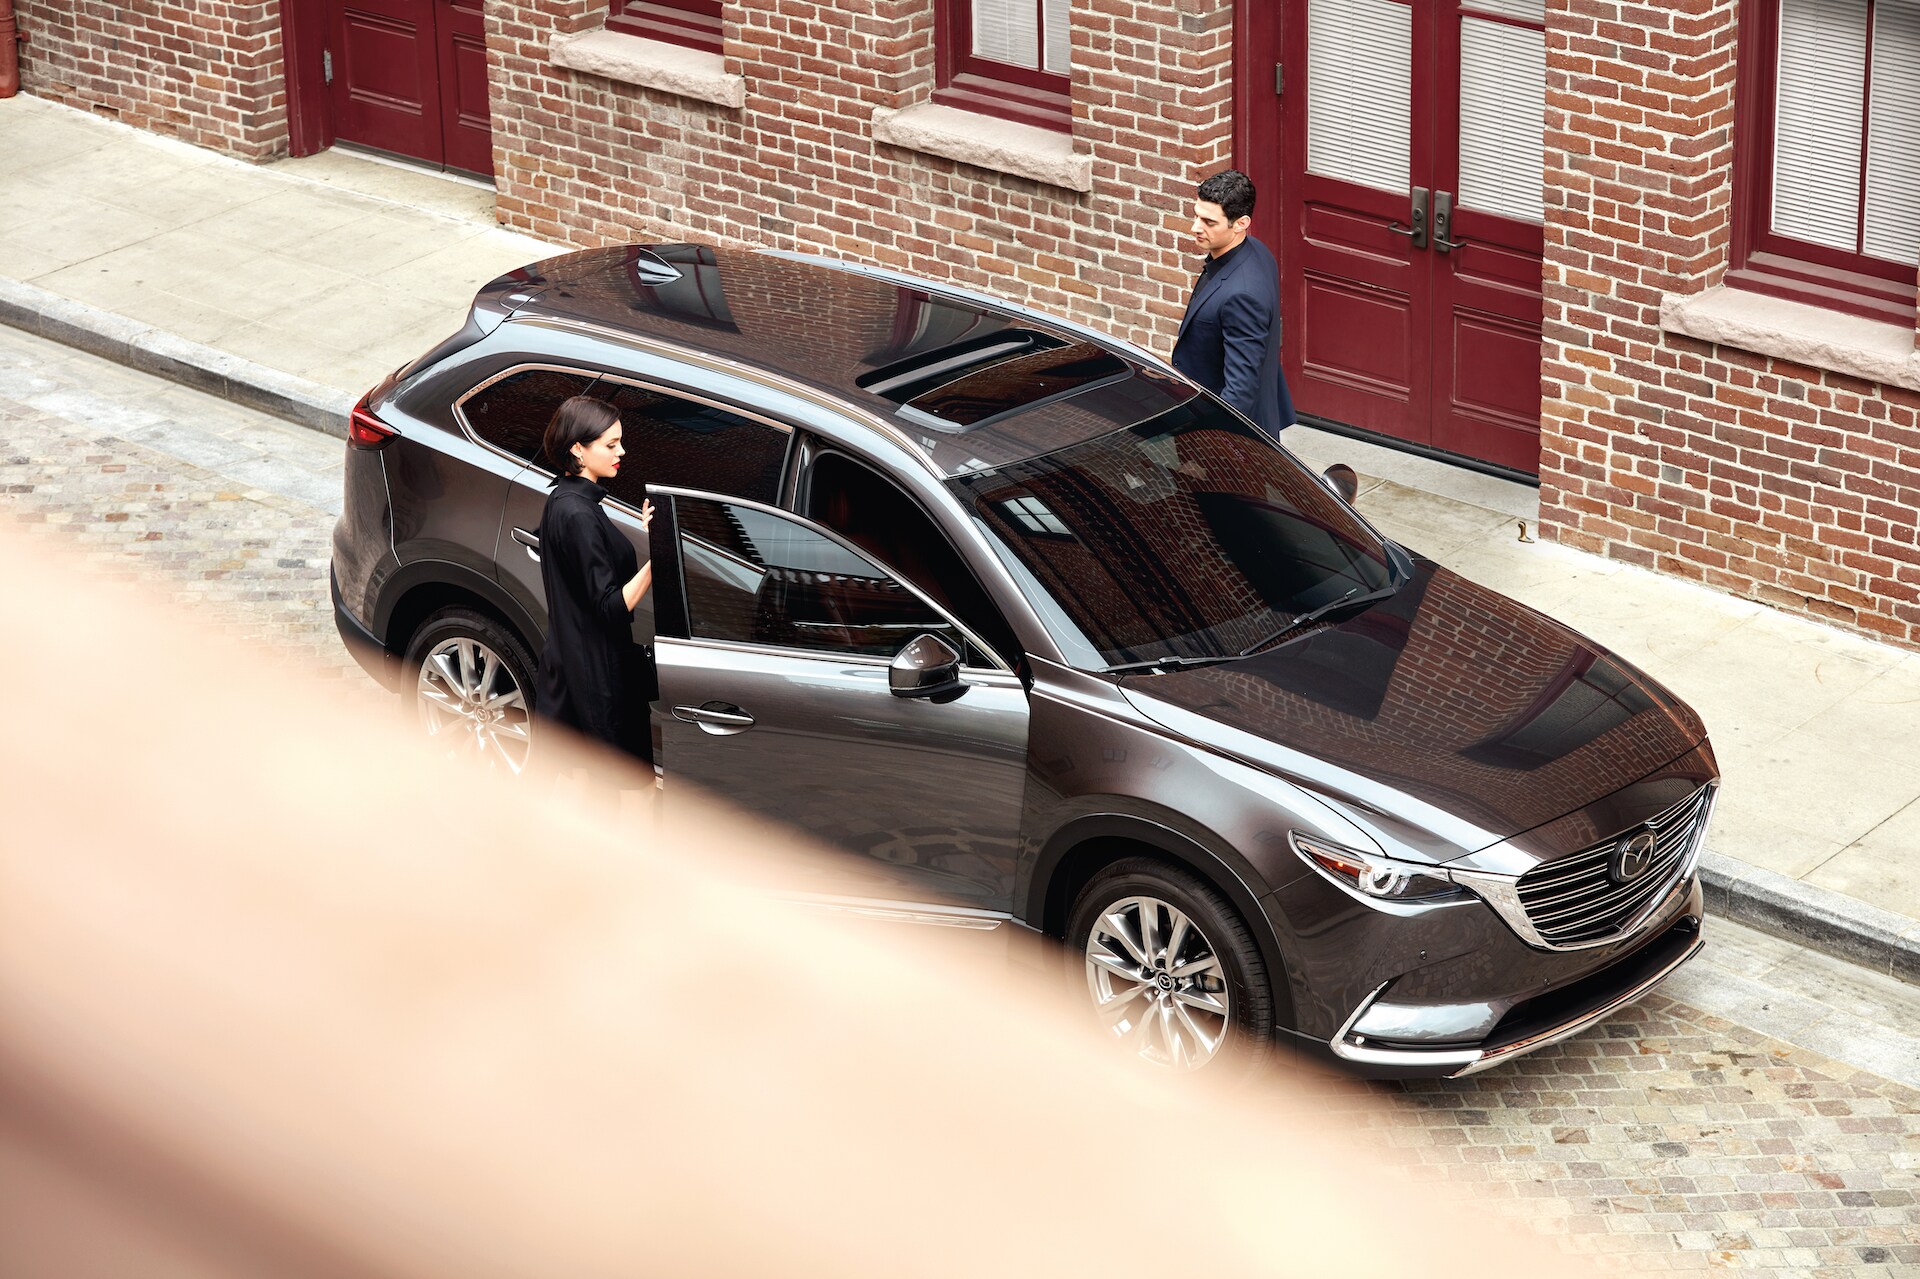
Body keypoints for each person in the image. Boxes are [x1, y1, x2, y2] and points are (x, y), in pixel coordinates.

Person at [533, 395, 656, 772]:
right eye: (610, 444)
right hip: (601, 680)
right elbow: (611, 607)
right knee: (635, 792)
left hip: (575, 668)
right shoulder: (578, 514)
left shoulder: (565, 501)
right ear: (578, 450)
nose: (622, 451)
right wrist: (660, 557)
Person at [1170, 168, 1297, 441]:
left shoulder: (1242, 294)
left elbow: (1240, 390)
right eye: (1196, 215)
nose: (1195, 227)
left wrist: (1212, 445)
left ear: (1240, 223)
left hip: (1225, 437)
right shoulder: (1258, 252)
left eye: (1209, 222)